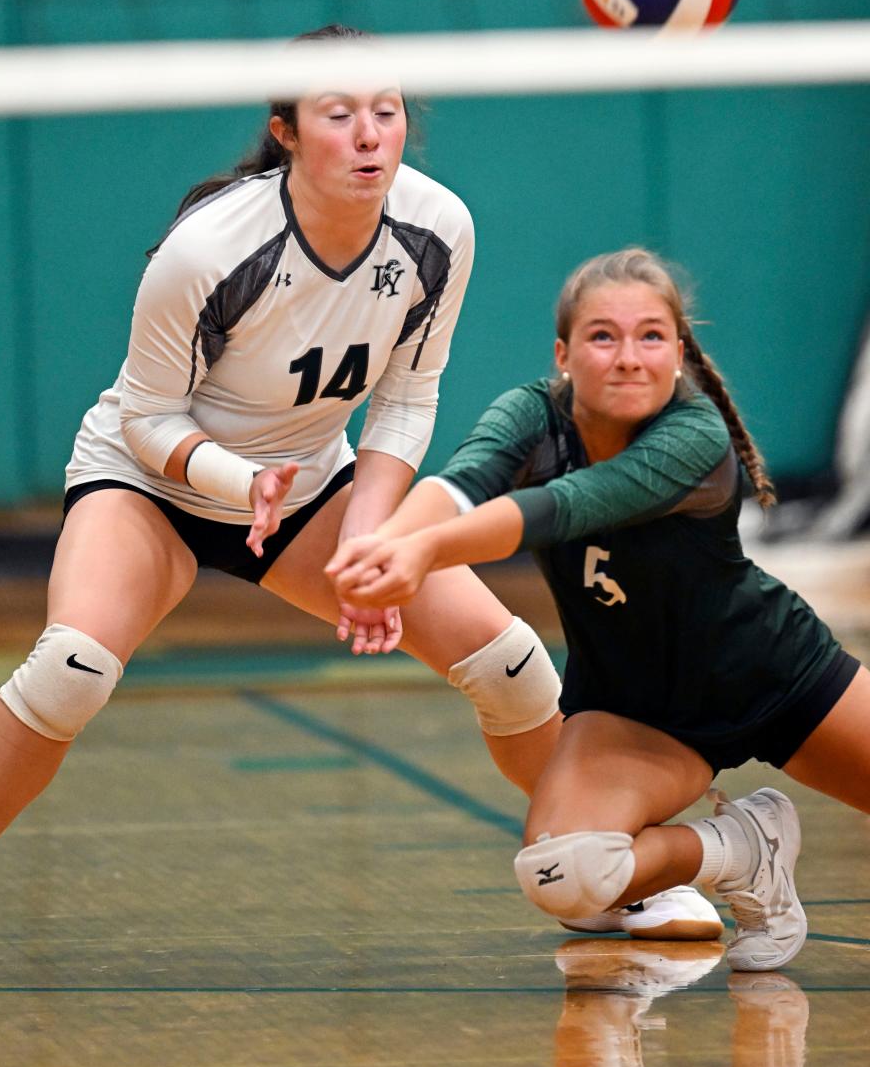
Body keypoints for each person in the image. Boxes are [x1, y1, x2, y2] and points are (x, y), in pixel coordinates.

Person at [0, 23, 598, 982]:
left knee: (512, 663)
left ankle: (608, 867)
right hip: (151, 481)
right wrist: (242, 485)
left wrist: (366, 544)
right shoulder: (211, 250)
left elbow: (407, 395)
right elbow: (147, 417)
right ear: (286, 130)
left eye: (387, 112)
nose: (368, 134)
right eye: (339, 113)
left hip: (313, 487)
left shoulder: (440, 231)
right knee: (72, 666)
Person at [328, 245, 870, 972]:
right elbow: (462, 484)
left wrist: (423, 554)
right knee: (567, 877)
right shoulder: (532, 414)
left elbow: (563, 507)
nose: (627, 357)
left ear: (678, 352)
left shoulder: (696, 436)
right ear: (565, 353)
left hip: (773, 676)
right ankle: (744, 848)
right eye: (602, 336)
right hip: (633, 711)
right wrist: (383, 549)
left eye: (650, 336)